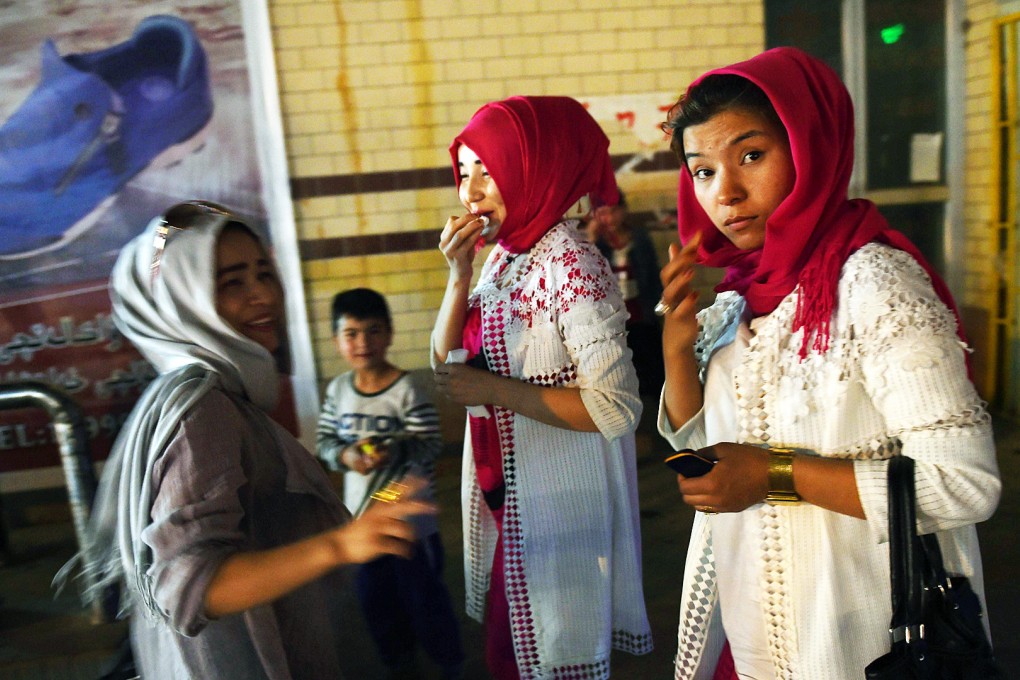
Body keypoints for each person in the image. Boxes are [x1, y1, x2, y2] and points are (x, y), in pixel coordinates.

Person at [655, 47, 1001, 679]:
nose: (725, 192)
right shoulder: (736, 297)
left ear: (810, 146)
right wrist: (678, 355)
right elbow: (715, 454)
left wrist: (774, 475)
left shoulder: (876, 285)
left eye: (751, 156)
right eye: (702, 171)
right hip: (754, 623)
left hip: (863, 634)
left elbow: (965, 483)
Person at [75, 201, 433, 679]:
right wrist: (339, 546)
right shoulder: (203, 410)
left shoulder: (218, 394)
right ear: (184, 300)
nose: (262, 295)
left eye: (265, 274)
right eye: (231, 283)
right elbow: (189, 589)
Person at [431, 96, 652, 679]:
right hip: (509, 492)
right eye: (464, 172)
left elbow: (617, 407)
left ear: (534, 167)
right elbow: (443, 365)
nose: (471, 192)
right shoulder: (503, 256)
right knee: (522, 648)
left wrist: (496, 391)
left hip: (559, 500)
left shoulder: (572, 264)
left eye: (488, 170)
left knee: (555, 649)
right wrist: (457, 278)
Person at [316, 287, 464, 679]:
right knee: (375, 600)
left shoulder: (407, 389)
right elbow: (326, 443)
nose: (363, 342)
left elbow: (431, 444)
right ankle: (398, 662)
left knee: (424, 599)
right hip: (363, 525)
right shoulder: (337, 391)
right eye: (351, 334)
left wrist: (392, 452)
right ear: (337, 340)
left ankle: (450, 663)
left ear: (389, 334)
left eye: (373, 331)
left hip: (408, 523)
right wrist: (348, 456)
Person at [591, 190, 665, 395]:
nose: (610, 218)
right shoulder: (596, 244)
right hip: (613, 321)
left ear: (623, 211)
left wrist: (659, 310)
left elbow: (652, 275)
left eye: (614, 211)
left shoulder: (639, 238)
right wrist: (591, 237)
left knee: (653, 369)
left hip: (641, 314)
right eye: (603, 213)